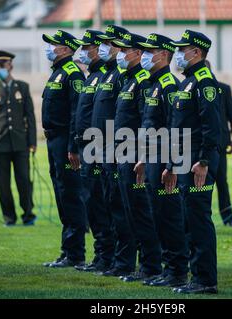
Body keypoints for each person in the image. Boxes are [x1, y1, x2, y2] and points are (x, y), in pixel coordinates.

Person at [134, 33, 189, 288]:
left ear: (163, 55)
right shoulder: (154, 84)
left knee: (168, 216)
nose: (145, 56)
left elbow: (176, 128)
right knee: (157, 214)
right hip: (152, 157)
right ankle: (167, 269)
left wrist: (172, 166)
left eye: (150, 51)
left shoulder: (168, 85)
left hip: (165, 159)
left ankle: (177, 270)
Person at [169, 30, 221, 294]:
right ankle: (196, 276)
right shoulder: (187, 81)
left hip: (197, 162)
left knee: (198, 219)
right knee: (188, 220)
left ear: (196, 52)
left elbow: (211, 125)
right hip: (183, 160)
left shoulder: (204, 82)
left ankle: (205, 279)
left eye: (182, 49)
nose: (178, 54)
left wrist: (203, 160)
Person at [111, 32, 163, 282]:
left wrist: (142, 155)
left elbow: (146, 122)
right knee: (129, 212)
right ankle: (139, 265)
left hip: (136, 156)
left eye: (124, 50)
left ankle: (151, 265)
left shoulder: (143, 80)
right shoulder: (129, 80)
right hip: (124, 152)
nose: (120, 54)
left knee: (142, 212)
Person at [40, 30, 87, 268]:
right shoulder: (57, 73)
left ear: (67, 49)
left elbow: (75, 114)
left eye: (54, 45)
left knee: (70, 195)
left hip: (64, 142)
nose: (50, 48)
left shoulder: (72, 74)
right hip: (53, 141)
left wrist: (73, 147)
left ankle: (76, 253)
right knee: (61, 194)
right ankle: (68, 250)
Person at [89, 24, 132, 277]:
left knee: (120, 207)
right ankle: (110, 258)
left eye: (109, 44)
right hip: (99, 147)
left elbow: (122, 118)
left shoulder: (120, 76)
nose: (103, 48)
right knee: (105, 204)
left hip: (117, 149)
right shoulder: (106, 74)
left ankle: (123, 261)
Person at [72, 29, 115, 273]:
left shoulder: (107, 76)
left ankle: (108, 256)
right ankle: (101, 255)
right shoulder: (93, 77)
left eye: (87, 47)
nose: (83, 52)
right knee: (92, 203)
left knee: (102, 204)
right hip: (87, 147)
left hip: (102, 148)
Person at [0, 50, 37, 227]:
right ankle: (9, 217)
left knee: (24, 182)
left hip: (20, 143)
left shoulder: (23, 87)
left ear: (10, 65)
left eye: (2, 65)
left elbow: (30, 116)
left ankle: (28, 215)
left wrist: (32, 141)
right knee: (3, 185)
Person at [205, 60, 232, 226]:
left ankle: (228, 219)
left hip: (220, 144)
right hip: (200, 145)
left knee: (221, 182)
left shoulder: (223, 89)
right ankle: (201, 218)